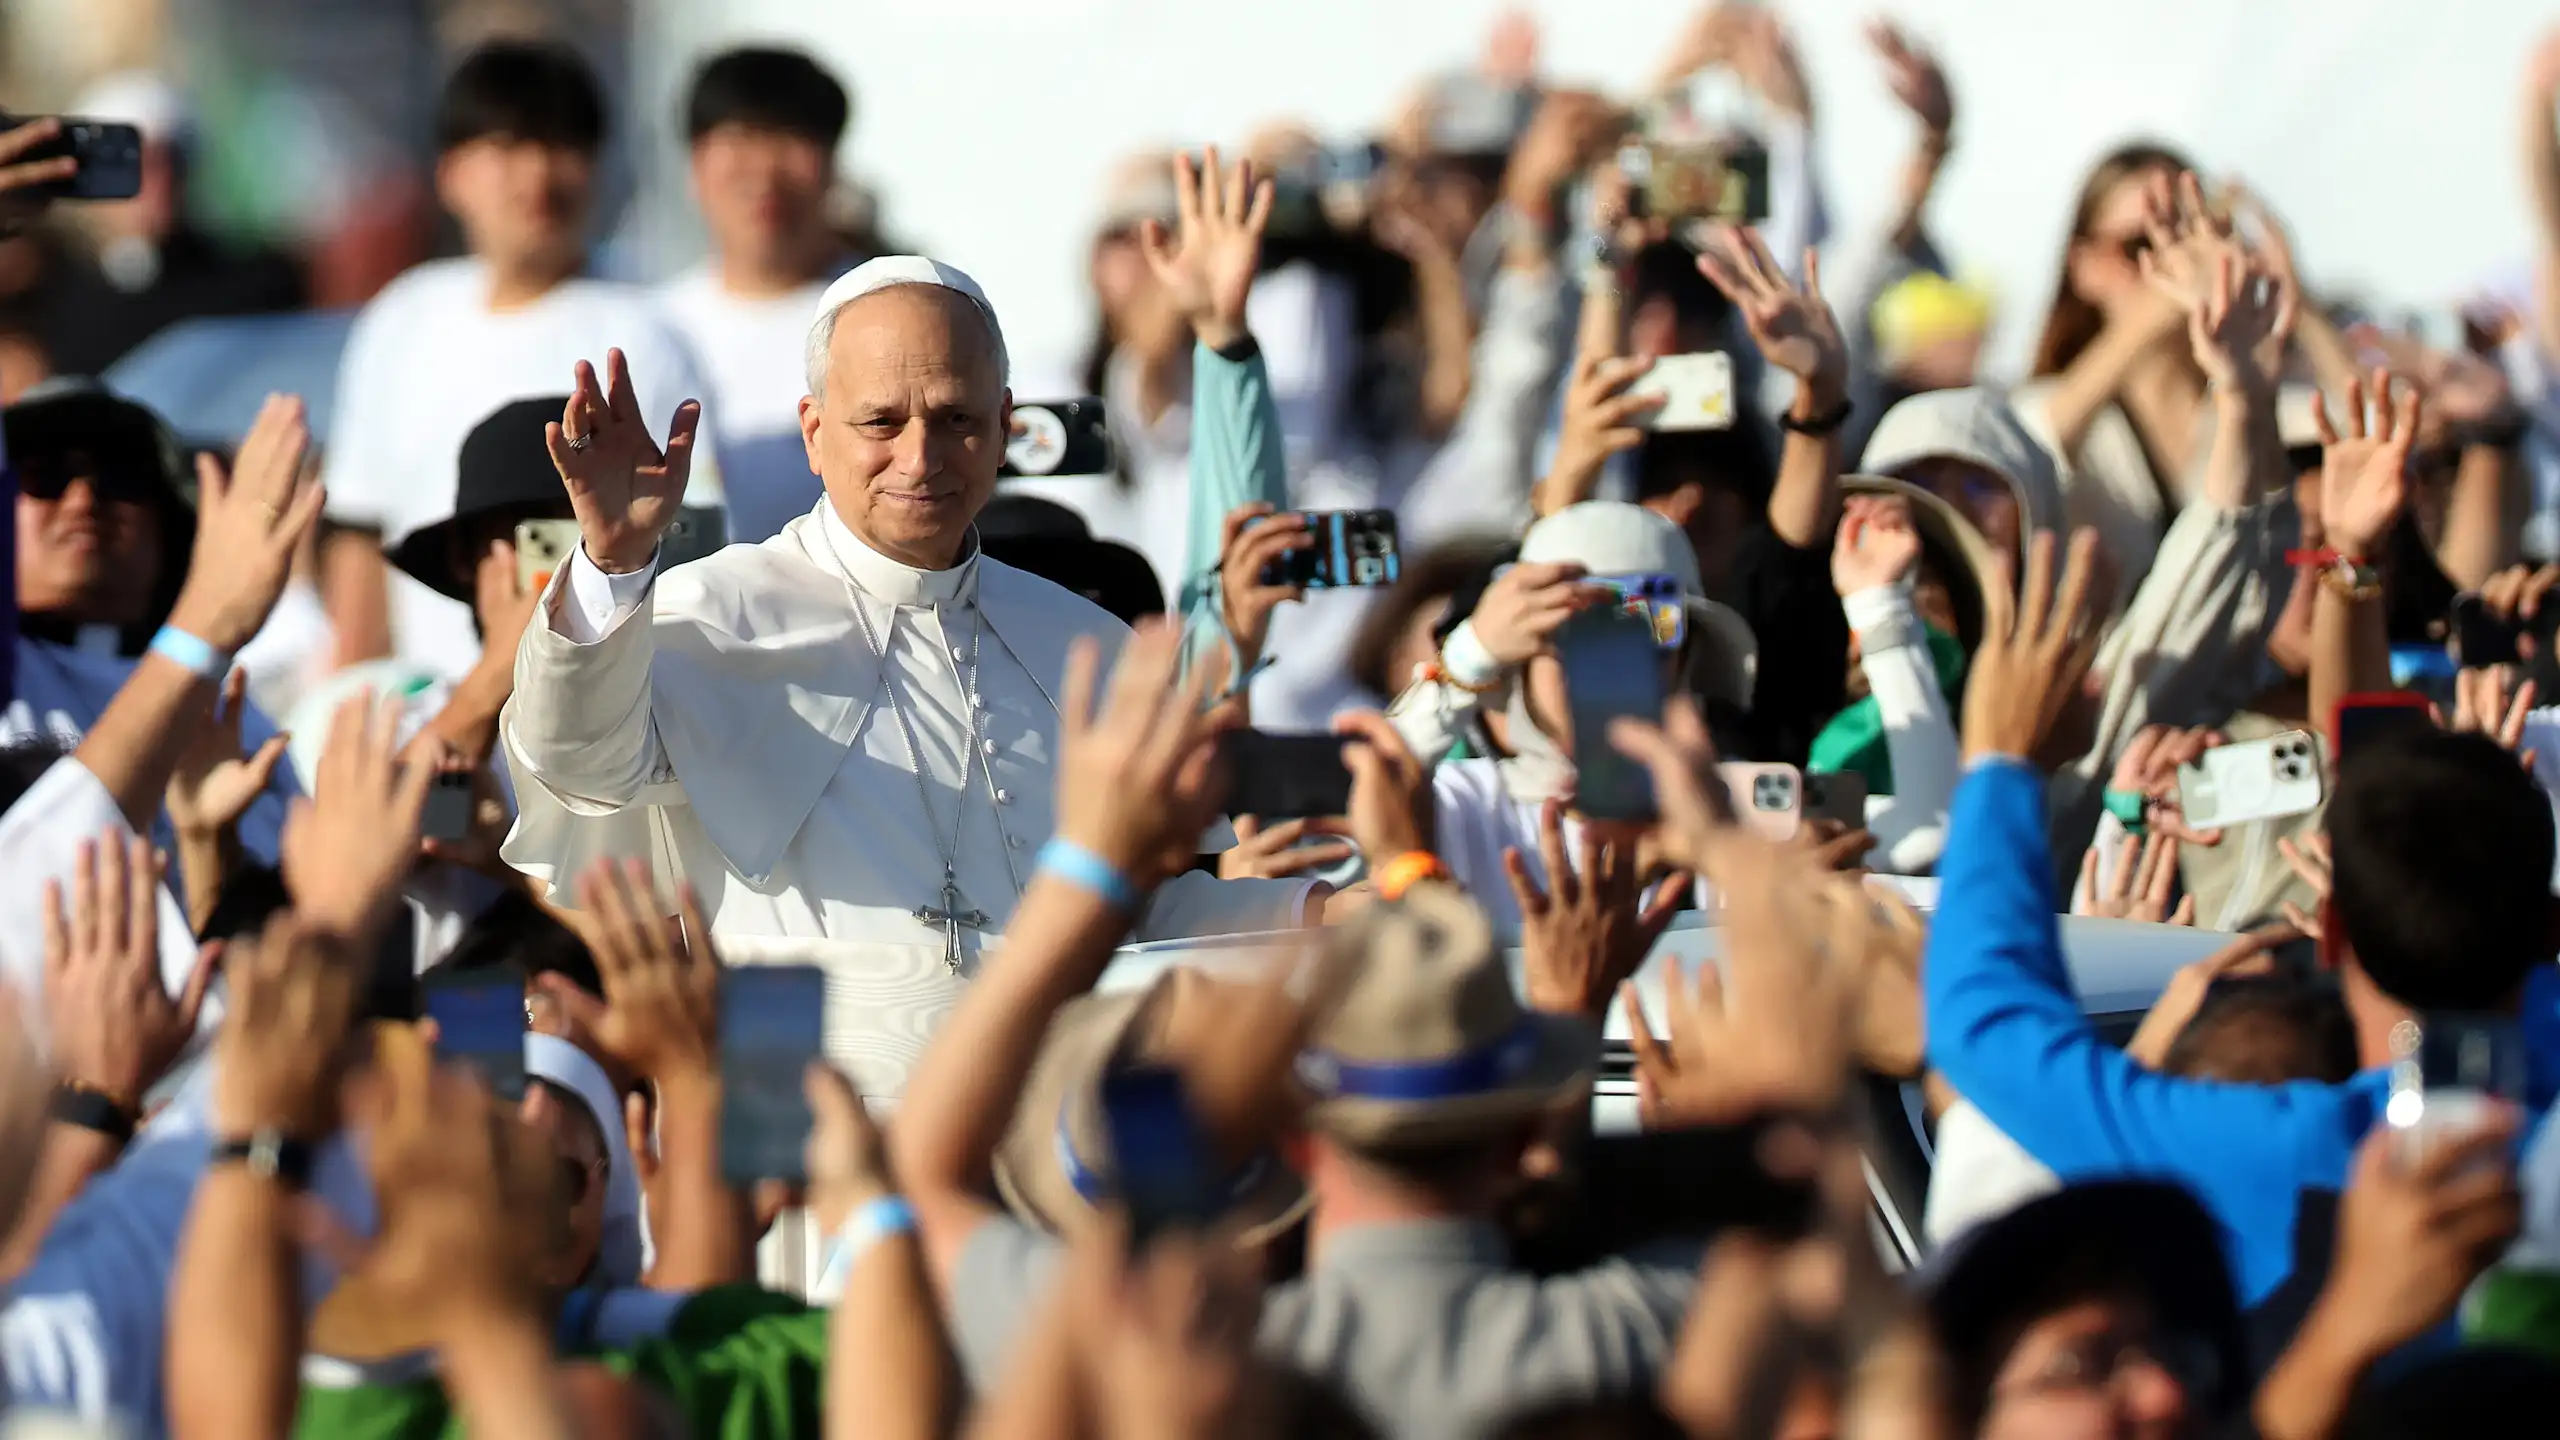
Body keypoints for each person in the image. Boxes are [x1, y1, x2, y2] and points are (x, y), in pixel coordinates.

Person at [497, 256, 1317, 1098]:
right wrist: (613, 562)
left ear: (1004, 426)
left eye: (955, 417)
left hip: (1041, 1137)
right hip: (802, 1146)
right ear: (815, 433)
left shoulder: (1087, 645)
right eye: (881, 422)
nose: (920, 457)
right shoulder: (711, 616)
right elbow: (578, 756)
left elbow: (1143, 918)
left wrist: (1306, 914)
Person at [1923, 527, 2558, 1336]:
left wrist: (2001, 760)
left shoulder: (2275, 1148)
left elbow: (1984, 1028)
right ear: (2551, 929)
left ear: (2330, 931)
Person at [320, 38, 723, 681]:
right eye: (509, 147)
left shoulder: (640, 335)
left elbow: (694, 539)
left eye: (562, 146)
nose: (538, 175)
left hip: (591, 697)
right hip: (432, 702)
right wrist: (354, 685)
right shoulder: (404, 317)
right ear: (450, 172)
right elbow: (360, 532)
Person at [1, 380, 299, 868]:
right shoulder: (11, 678)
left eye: (120, 479)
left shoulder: (235, 713)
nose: (82, 501)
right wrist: (203, 629)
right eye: (45, 477)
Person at [655, 47, 861, 545]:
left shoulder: (878, 316)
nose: (766, 169)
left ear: (833, 164)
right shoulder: (655, 330)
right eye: (742, 138)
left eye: (791, 138)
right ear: (696, 165)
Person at [29, 72, 305, 377]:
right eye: (135, 166)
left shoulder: (257, 286)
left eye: (169, 162)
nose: (156, 184)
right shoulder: (52, 303)